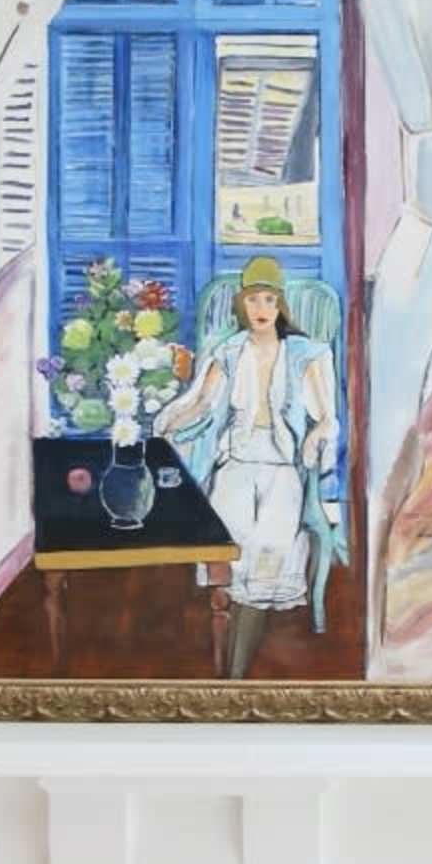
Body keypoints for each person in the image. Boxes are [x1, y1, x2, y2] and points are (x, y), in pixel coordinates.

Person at [161, 257, 342, 678]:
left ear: (280, 306)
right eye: (253, 300)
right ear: (242, 305)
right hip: (237, 460)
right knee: (230, 541)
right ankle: (234, 665)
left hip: (282, 464)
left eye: (269, 299)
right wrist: (166, 423)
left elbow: (328, 418)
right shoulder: (227, 352)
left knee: (272, 546)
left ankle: (234, 673)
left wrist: (317, 437)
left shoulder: (307, 354)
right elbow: (201, 404)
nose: (261, 309)